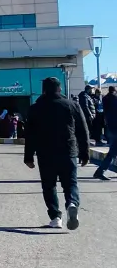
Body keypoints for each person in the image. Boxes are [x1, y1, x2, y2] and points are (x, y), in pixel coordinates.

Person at [24, 77, 89, 230]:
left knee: (49, 186)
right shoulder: (72, 105)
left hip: (45, 153)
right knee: (70, 183)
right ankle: (72, 203)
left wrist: (28, 157)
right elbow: (82, 130)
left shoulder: (35, 108)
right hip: (68, 151)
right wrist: (84, 153)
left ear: (44, 90)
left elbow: (30, 134)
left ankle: (55, 218)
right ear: (60, 89)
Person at [93, 85, 117, 180]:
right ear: (114, 91)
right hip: (115, 128)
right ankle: (100, 171)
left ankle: (100, 171)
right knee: (112, 152)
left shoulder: (105, 99)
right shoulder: (114, 99)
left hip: (110, 128)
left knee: (113, 151)